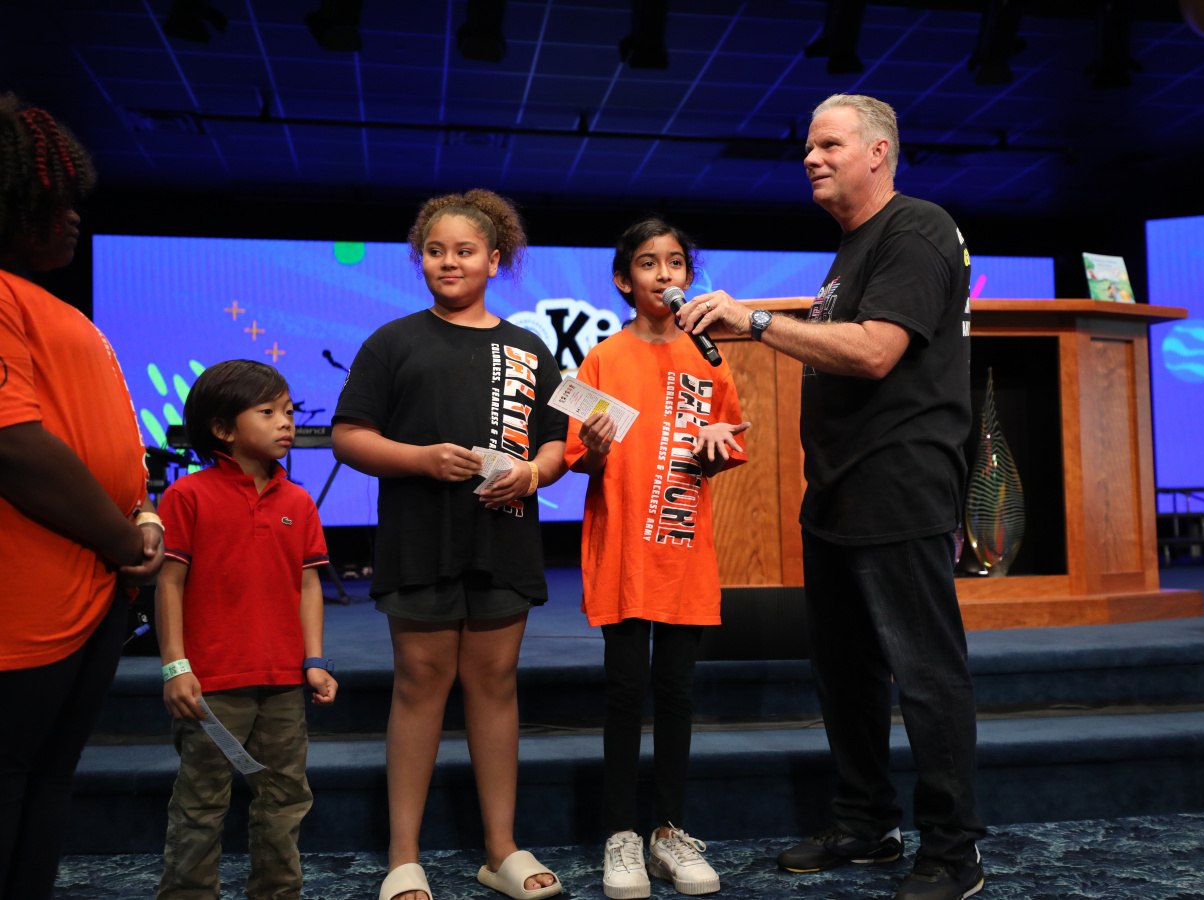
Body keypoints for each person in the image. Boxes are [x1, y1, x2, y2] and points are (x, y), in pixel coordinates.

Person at [675, 93, 986, 900]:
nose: (810, 158)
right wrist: (758, 322)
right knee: (846, 673)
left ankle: (954, 851)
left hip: (901, 484)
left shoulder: (916, 228)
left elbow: (877, 351)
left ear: (878, 151)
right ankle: (866, 823)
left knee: (926, 675)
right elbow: (839, 339)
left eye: (829, 145)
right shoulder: (855, 246)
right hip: (840, 491)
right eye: (808, 147)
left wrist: (755, 321)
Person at [332, 190, 569, 900]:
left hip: (504, 539)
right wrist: (421, 459)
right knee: (418, 683)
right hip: (418, 540)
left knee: (495, 685)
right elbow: (349, 436)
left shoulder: (529, 347)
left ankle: (500, 849)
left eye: (465, 251)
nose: (449, 262)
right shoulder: (392, 341)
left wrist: (534, 472)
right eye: (435, 251)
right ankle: (403, 856)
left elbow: (559, 442)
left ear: (495, 260)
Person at [0, 93, 163, 900]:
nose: (73, 217)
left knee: (46, 781)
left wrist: (141, 510)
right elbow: (13, 444)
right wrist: (124, 538)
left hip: (93, 592)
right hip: (26, 604)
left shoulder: (34, 298)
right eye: (54, 199)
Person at [565, 218, 750, 899]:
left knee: (676, 692)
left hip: (682, 552)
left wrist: (715, 447)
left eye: (675, 263)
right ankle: (621, 835)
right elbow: (581, 456)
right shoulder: (601, 359)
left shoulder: (708, 358)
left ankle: (669, 832)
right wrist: (595, 445)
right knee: (624, 692)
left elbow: (726, 445)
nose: (664, 274)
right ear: (624, 279)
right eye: (648, 263)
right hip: (622, 551)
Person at [154, 359, 338, 900]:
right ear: (222, 428)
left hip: (283, 682)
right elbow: (169, 585)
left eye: (288, 411)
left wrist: (314, 660)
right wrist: (175, 666)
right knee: (200, 804)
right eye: (268, 412)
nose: (286, 422)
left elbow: (308, 586)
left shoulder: (298, 501)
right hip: (211, 684)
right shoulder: (188, 496)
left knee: (285, 801)